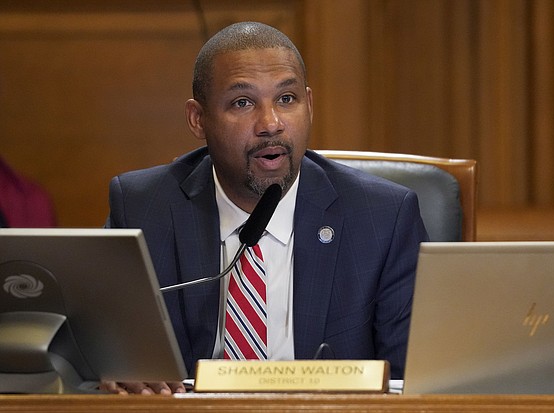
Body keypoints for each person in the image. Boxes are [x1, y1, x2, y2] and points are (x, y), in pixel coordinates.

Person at [102, 21, 428, 394]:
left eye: (287, 99)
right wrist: (113, 367)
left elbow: (415, 382)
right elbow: (100, 350)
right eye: (243, 103)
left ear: (310, 105)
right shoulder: (144, 209)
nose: (271, 124)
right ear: (198, 119)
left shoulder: (382, 218)